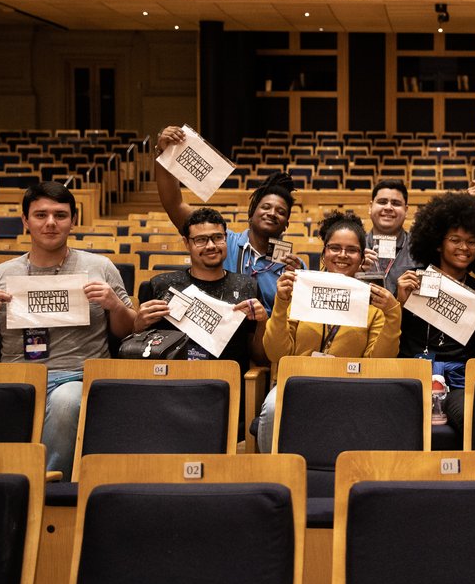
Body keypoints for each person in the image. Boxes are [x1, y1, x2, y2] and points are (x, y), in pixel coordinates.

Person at [0, 182, 134, 479]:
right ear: (25, 221)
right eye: (41, 215)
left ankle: (44, 486)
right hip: (16, 376)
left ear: (74, 220)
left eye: (60, 215)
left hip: (79, 375)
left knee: (66, 403)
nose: (51, 223)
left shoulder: (100, 267)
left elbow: (127, 330)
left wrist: (115, 305)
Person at [257, 210, 402, 453]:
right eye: (335, 248)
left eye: (352, 250)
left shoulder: (373, 302)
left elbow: (377, 363)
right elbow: (276, 354)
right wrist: (281, 305)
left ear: (361, 257)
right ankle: (274, 474)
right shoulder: (301, 291)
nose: (343, 255)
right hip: (297, 381)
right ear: (324, 254)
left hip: (351, 386)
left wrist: (393, 314)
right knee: (272, 408)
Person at [132, 207, 269, 438]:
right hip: (171, 388)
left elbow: (257, 354)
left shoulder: (246, 287)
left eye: (217, 237)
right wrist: (137, 325)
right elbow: (140, 347)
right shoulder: (161, 285)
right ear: (186, 243)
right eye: (201, 240)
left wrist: (263, 323)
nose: (211, 246)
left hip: (226, 388)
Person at [154, 125, 301, 311]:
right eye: (265, 207)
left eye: (281, 212)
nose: (272, 213)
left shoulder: (292, 264)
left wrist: (298, 286)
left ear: (286, 224)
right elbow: (174, 204)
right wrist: (164, 154)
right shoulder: (221, 241)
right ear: (251, 214)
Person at [395, 192, 475, 429]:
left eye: (472, 241)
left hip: (459, 384)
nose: (464, 248)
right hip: (411, 377)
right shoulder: (413, 282)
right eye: (455, 239)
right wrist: (399, 303)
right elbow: (390, 341)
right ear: (437, 242)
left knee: (473, 418)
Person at [362, 179, 414, 293]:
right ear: (370, 207)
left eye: (396, 203)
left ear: (406, 210)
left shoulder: (420, 249)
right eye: (382, 202)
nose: (388, 208)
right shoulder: (354, 248)